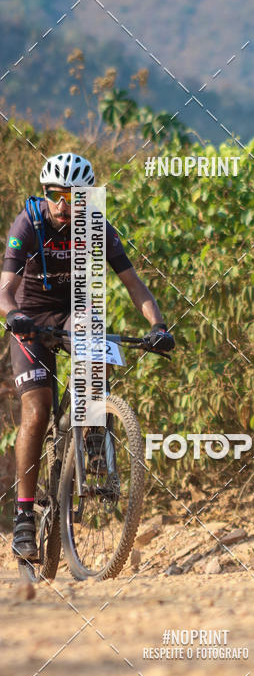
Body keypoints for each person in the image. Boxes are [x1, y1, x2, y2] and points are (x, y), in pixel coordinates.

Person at [0, 152, 175, 559]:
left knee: (96, 336)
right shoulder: (29, 223)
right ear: (45, 194)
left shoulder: (97, 225)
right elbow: (5, 289)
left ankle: (95, 433)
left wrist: (158, 325)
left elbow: (134, 284)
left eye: (74, 196)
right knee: (37, 410)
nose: (64, 204)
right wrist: (13, 316)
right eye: (56, 195)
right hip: (30, 318)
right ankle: (24, 518)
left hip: (74, 314)